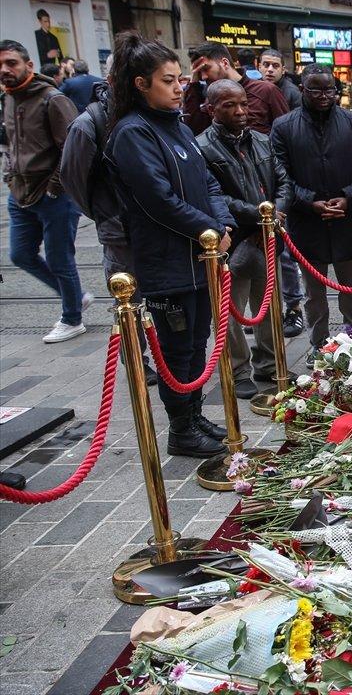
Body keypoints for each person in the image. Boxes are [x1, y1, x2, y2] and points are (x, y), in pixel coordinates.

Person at [105, 31, 231, 458]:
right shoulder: (132, 133)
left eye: (180, 79)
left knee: (197, 343)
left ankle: (193, 415)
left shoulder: (174, 125)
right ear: (141, 84)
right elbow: (158, 200)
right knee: (177, 349)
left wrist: (221, 223)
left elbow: (208, 179)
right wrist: (205, 230)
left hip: (199, 257)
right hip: (167, 263)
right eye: (169, 80)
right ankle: (181, 427)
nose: (180, 88)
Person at [196, 80, 294, 399]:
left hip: (266, 237)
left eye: (243, 104)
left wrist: (275, 212)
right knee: (231, 312)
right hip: (235, 240)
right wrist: (258, 215)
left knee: (268, 306)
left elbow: (283, 181)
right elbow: (214, 196)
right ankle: (239, 369)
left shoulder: (262, 141)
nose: (240, 111)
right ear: (212, 109)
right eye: (230, 105)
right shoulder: (203, 147)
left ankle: (269, 362)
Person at [59, 79, 157, 383]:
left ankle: (164, 355)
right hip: (119, 231)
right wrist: (104, 214)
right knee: (129, 300)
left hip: (157, 226)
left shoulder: (150, 112)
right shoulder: (90, 123)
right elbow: (73, 179)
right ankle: (135, 359)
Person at [271, 63, 352, 359]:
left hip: (347, 218)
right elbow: (281, 175)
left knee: (350, 288)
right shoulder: (284, 126)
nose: (325, 95)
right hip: (307, 221)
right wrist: (309, 201)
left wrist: (348, 197)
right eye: (316, 89)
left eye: (330, 89)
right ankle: (319, 343)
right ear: (302, 89)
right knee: (314, 293)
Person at [1, 39, 90, 344]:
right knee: (21, 254)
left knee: (59, 259)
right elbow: (12, 144)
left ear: (29, 65)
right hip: (20, 192)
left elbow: (72, 150)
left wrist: (54, 188)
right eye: (0, 65)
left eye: (11, 63)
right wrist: (9, 173)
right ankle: (75, 296)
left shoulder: (52, 99)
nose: (4, 70)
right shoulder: (9, 98)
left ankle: (72, 318)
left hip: (54, 196)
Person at [257, 47, 306, 337]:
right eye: (266, 64)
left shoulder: (288, 95)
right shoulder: (249, 90)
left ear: (284, 68)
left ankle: (293, 307)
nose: (270, 69)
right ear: (257, 65)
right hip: (261, 181)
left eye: (275, 65)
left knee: (286, 254)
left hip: (280, 184)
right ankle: (265, 310)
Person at [183, 41, 288, 135]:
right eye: (199, 72)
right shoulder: (211, 98)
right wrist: (193, 83)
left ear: (224, 63)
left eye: (206, 69)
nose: (203, 76)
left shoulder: (266, 91)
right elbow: (195, 130)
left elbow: (286, 131)